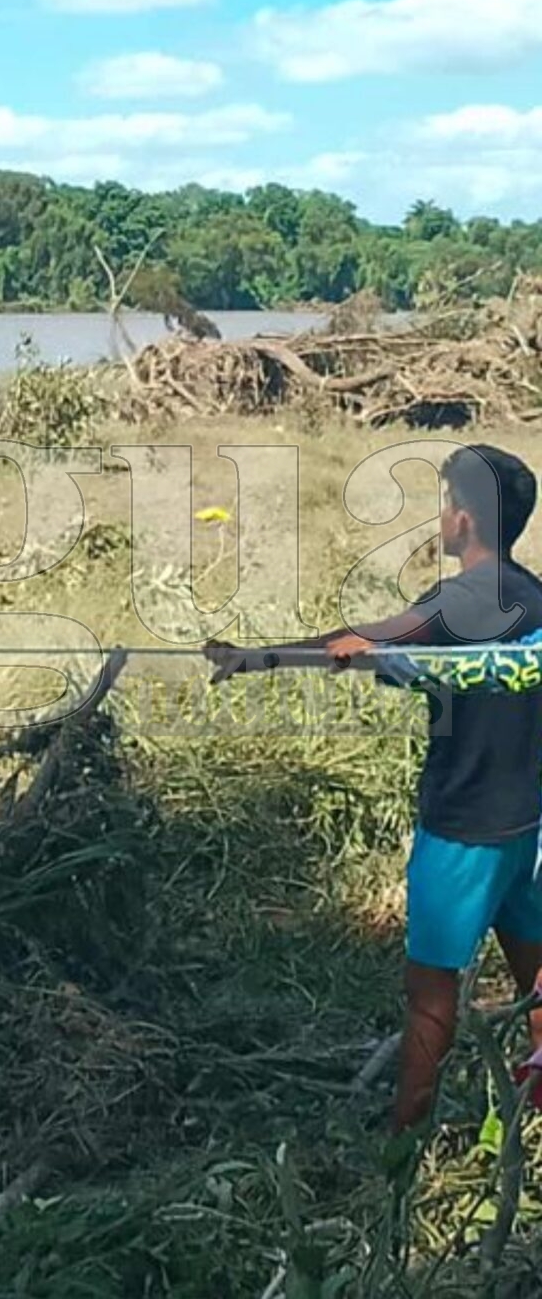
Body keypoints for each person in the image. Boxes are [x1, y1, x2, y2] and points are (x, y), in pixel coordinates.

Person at [208, 444, 542, 1134]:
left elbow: (358, 641)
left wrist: (255, 657)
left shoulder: (458, 602)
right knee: (537, 979)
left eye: (446, 502)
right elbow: (394, 658)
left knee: (430, 998)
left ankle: (402, 1142)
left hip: (461, 830)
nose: (440, 517)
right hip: (527, 828)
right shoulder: (534, 595)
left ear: (466, 520)